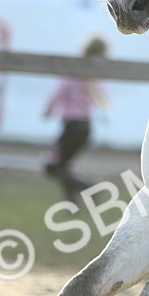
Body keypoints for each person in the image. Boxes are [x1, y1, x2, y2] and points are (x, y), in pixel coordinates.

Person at [43, 35, 109, 198]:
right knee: (63, 167)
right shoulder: (93, 76)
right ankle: (71, 205)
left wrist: (48, 110)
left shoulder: (73, 72)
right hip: (85, 126)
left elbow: (58, 92)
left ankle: (91, 190)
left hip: (72, 124)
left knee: (52, 167)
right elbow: (103, 99)